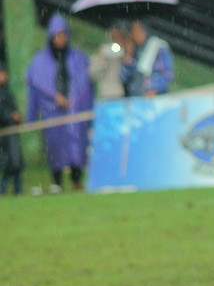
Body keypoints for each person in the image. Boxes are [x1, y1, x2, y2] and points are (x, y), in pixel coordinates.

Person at [26, 14, 93, 193]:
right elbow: (35, 88)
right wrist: (53, 99)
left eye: (63, 35)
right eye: (57, 36)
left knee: (76, 146)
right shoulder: (40, 61)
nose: (60, 40)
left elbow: (86, 84)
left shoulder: (77, 57)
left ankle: (77, 181)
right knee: (55, 148)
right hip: (52, 112)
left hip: (73, 110)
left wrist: (74, 100)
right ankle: (57, 182)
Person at [121, 19, 174, 97]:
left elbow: (167, 73)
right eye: (132, 31)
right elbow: (124, 78)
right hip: (135, 97)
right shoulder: (134, 51)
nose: (134, 34)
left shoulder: (158, 47)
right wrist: (128, 57)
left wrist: (155, 89)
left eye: (137, 30)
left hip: (154, 97)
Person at [0, 63, 24, 195]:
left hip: (12, 133)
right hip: (4, 134)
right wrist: (10, 117)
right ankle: (3, 190)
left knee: (15, 164)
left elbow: (13, 108)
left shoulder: (7, 91)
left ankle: (18, 190)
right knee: (9, 165)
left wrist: (17, 116)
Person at [88, 22, 128, 100]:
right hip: (109, 95)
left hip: (127, 96)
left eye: (120, 37)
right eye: (114, 37)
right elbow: (93, 74)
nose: (117, 41)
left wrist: (127, 56)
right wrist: (101, 59)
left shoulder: (131, 52)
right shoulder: (104, 53)